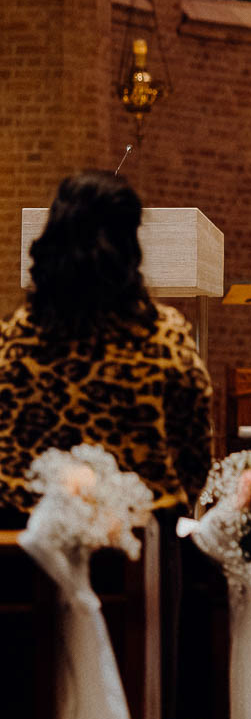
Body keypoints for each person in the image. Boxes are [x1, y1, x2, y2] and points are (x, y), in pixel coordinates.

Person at [0, 171, 212, 522]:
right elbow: (194, 460)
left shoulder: (11, 343)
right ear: (129, 247)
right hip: (137, 542)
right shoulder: (164, 339)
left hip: (23, 548)